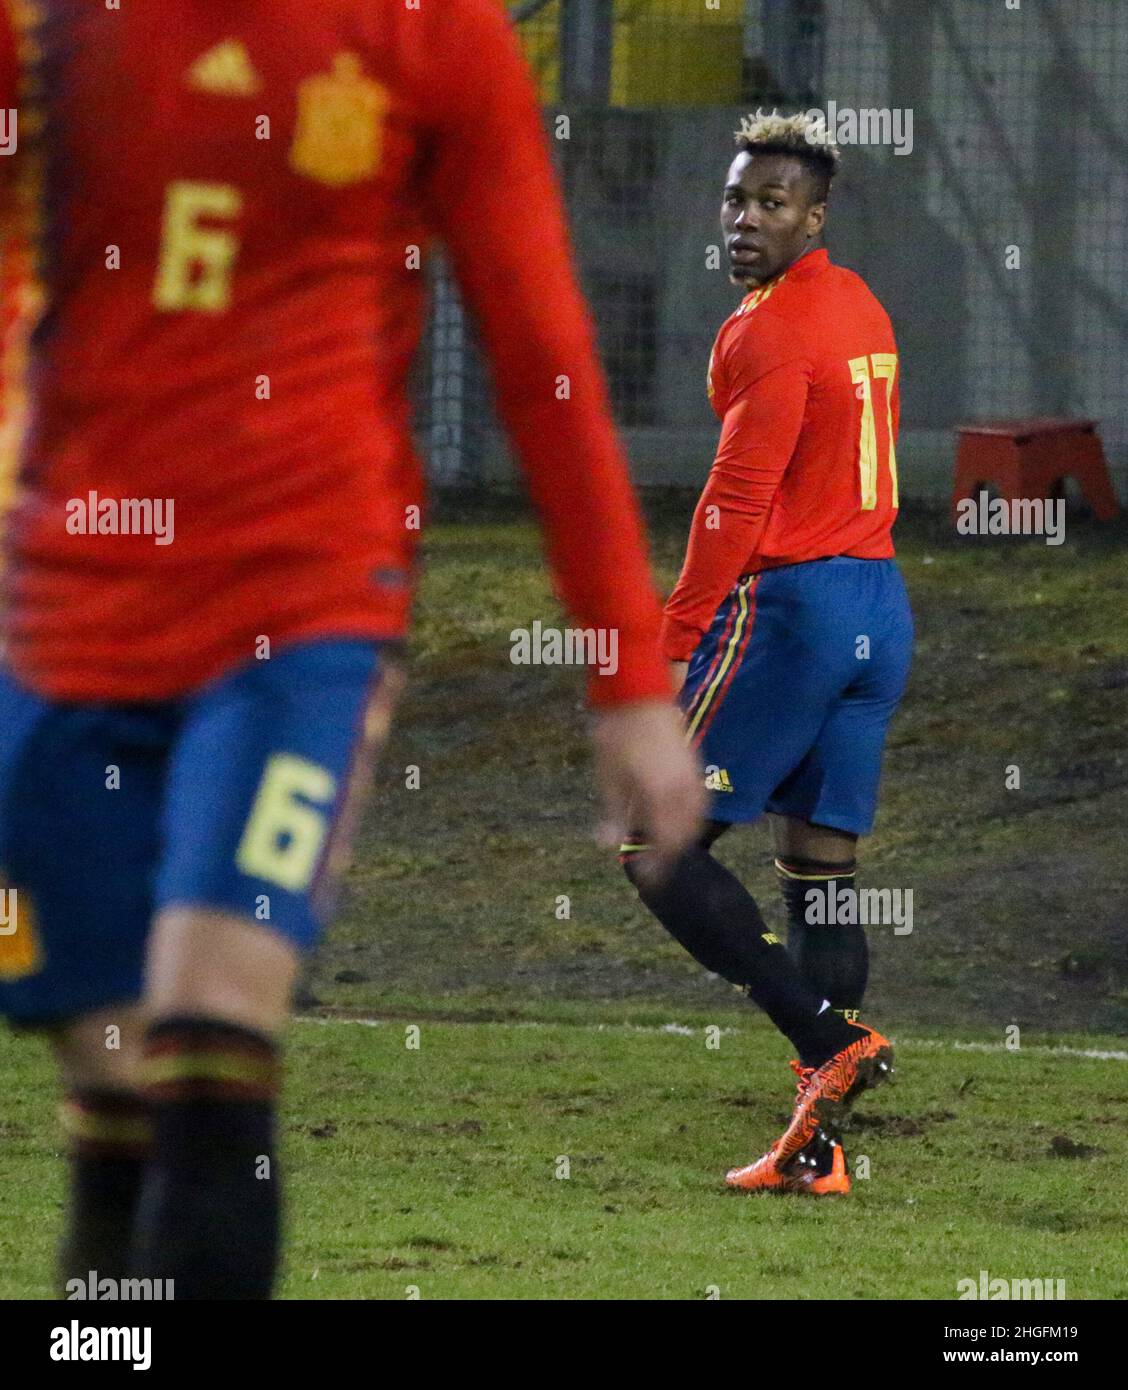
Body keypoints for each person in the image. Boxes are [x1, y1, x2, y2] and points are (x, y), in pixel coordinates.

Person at [0, 0, 703, 1297]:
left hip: (301, 606)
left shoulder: (434, 34)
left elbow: (541, 348)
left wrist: (632, 683)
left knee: (211, 1041)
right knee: (111, 1088)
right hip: (56, 615)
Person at [621, 111, 913, 1195]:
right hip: (877, 605)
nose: (746, 219)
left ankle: (822, 1034)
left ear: (815, 215)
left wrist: (665, 649)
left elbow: (734, 504)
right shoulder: (858, 305)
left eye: (772, 202)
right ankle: (820, 1150)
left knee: (655, 841)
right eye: (738, 198)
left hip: (793, 609)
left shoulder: (773, 330)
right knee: (820, 877)